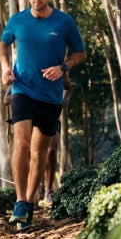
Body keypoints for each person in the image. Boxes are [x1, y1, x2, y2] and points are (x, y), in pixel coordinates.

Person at [0, 0, 85, 229]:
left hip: (51, 95)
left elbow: (80, 53)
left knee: (40, 151)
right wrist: (4, 67)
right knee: (22, 143)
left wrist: (63, 68)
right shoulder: (17, 20)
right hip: (22, 89)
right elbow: (3, 44)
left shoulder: (64, 22)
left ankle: (30, 204)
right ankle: (19, 201)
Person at [41, 72, 72, 206]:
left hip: (53, 117)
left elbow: (69, 88)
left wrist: (65, 100)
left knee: (52, 150)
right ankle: (26, 196)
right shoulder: (28, 63)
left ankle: (48, 191)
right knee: (32, 154)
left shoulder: (58, 67)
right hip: (31, 117)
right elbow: (7, 98)